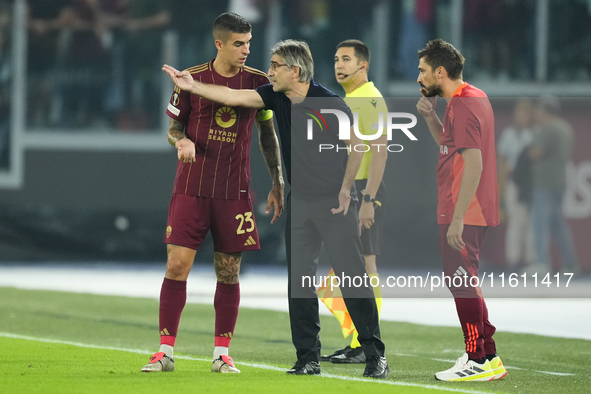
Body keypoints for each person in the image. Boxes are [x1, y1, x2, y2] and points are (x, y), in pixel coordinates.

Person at [162, 39, 389, 379]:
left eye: (275, 66)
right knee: (299, 281)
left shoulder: (331, 104)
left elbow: (356, 146)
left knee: (351, 278)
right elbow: (232, 96)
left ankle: (375, 355)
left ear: (294, 71)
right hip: (301, 202)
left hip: (334, 204)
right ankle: (308, 358)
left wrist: (346, 190)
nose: (268, 72)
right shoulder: (274, 96)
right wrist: (193, 86)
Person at [141, 12, 284, 374]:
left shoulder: (259, 83)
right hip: (191, 187)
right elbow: (173, 127)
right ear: (219, 43)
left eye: (249, 43)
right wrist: (182, 139)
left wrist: (278, 181)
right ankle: (164, 351)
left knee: (229, 272)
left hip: (234, 191)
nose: (246, 50)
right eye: (239, 43)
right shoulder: (191, 79)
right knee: (176, 266)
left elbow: (268, 134)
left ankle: (222, 354)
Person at [415, 38, 507, 382]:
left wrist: (456, 218)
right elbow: (451, 147)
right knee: (466, 281)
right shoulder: (469, 98)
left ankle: (476, 359)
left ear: (441, 71)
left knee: (461, 282)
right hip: (467, 207)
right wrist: (430, 118)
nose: (419, 77)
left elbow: (474, 164)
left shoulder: (465, 104)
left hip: (463, 209)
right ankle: (488, 355)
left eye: (423, 71)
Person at [319, 39, 388, 365]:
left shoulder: (369, 99)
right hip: (354, 189)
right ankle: (360, 340)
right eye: (336, 58)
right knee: (347, 274)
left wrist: (369, 199)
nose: (339, 64)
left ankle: (366, 343)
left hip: (365, 190)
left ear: (364, 65)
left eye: (346, 59)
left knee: (363, 268)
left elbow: (380, 151)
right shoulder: (351, 99)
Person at [528, 97, 579, 274]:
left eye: (538, 110)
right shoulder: (565, 127)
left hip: (545, 183)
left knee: (540, 224)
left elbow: (535, 153)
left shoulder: (549, 128)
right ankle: (571, 264)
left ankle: (541, 263)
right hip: (559, 183)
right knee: (558, 225)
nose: (535, 114)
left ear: (544, 111)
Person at [497, 99, 536, 272]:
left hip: (530, 183)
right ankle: (513, 261)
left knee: (530, 222)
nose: (521, 117)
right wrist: (501, 186)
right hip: (513, 181)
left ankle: (530, 261)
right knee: (515, 221)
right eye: (518, 112)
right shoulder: (508, 134)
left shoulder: (535, 134)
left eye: (525, 113)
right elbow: (502, 161)